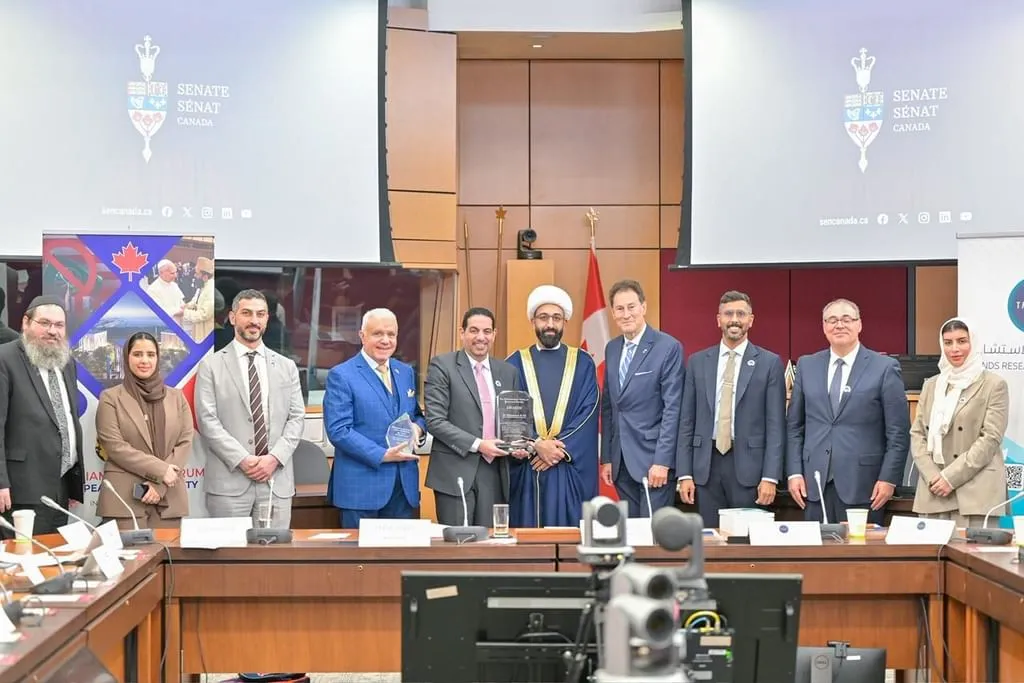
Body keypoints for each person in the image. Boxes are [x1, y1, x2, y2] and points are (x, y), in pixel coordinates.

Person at [786, 298, 909, 525]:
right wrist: (794, 473)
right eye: (832, 320)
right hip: (814, 484)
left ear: (859, 324)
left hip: (865, 486)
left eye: (846, 319)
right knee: (816, 558)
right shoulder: (806, 365)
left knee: (858, 557)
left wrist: (889, 478)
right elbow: (794, 427)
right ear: (823, 326)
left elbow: (898, 432)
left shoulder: (884, 367)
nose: (839, 325)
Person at [195, 289, 305, 528]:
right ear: (233, 317)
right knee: (228, 560)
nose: (254, 320)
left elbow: (296, 418)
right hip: (229, 483)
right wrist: (243, 460)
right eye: (246, 313)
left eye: (260, 314)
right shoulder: (211, 366)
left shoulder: (286, 367)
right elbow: (207, 421)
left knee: (272, 560)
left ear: (267, 319)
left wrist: (274, 459)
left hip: (275, 482)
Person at [677, 291, 786, 528]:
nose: (734, 319)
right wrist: (684, 474)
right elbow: (687, 421)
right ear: (718, 319)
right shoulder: (697, 362)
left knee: (748, 543)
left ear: (751, 320)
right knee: (708, 543)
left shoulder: (769, 363)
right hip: (705, 468)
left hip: (750, 469)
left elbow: (776, 425)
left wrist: (770, 477)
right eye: (728, 314)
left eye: (740, 314)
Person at [506, 286, 599, 527]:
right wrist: (537, 445)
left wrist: (554, 450)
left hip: (566, 464)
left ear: (565, 322)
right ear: (532, 321)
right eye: (543, 317)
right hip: (529, 465)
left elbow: (588, 411)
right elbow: (510, 416)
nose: (550, 324)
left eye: (556, 318)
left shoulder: (582, 362)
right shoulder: (513, 363)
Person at [324, 308, 425, 528]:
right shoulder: (342, 375)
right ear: (362, 336)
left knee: (401, 561)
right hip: (362, 490)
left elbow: (416, 415)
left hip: (403, 489)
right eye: (378, 334)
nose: (385, 340)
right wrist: (381, 455)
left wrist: (418, 428)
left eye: (391, 334)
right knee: (360, 561)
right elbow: (339, 430)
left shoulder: (405, 372)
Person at [425, 307, 523, 527]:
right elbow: (435, 421)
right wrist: (479, 445)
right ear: (462, 333)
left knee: (492, 547)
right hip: (455, 471)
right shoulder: (443, 366)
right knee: (459, 548)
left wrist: (520, 444)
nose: (481, 337)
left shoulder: (508, 372)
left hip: (496, 472)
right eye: (474, 330)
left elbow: (514, 421)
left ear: (494, 334)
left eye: (487, 331)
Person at [910, 318, 1008, 527]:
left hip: (975, 492)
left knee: (972, 559)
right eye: (948, 342)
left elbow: (990, 439)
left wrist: (950, 478)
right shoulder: (932, 385)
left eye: (962, 341)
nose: (955, 349)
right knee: (929, 559)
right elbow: (917, 434)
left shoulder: (993, 384)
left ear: (973, 343)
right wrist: (933, 477)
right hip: (934, 491)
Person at [0, 296, 84, 534]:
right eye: (45, 323)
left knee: (53, 564)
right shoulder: (4, 359)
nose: (52, 331)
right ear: (25, 323)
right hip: (20, 491)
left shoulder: (67, 363)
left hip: (60, 489)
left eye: (59, 325)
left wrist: (72, 480)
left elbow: (66, 419)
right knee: (23, 564)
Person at [600, 280, 684, 517]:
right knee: (632, 537)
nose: (626, 314)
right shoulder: (612, 348)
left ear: (644, 307)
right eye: (619, 309)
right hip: (621, 463)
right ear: (613, 313)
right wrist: (607, 457)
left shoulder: (667, 347)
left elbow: (673, 409)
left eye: (631, 307)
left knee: (653, 540)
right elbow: (609, 406)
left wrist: (663, 461)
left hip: (653, 462)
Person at [95, 333, 193, 529]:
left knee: (168, 558)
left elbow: (185, 441)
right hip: (124, 500)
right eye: (138, 354)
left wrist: (160, 484)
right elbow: (114, 446)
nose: (145, 360)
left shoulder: (176, 397)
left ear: (158, 358)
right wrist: (161, 470)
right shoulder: (110, 398)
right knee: (128, 559)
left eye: (151, 354)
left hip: (169, 498)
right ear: (126, 357)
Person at [181, 256, 215, 342]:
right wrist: (187, 305)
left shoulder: (212, 289)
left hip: (207, 330)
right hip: (199, 328)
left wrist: (184, 312)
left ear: (205, 275)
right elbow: (195, 300)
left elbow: (204, 314)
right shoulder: (202, 285)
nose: (195, 276)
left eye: (197, 274)